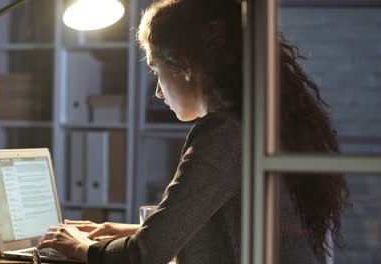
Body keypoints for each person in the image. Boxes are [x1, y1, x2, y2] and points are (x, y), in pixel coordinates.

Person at [38, 0, 351, 263]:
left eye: (155, 70)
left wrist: (81, 247)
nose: (158, 92)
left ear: (185, 65)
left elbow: (145, 255)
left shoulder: (224, 133)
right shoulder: (255, 123)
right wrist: (128, 231)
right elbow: (214, 225)